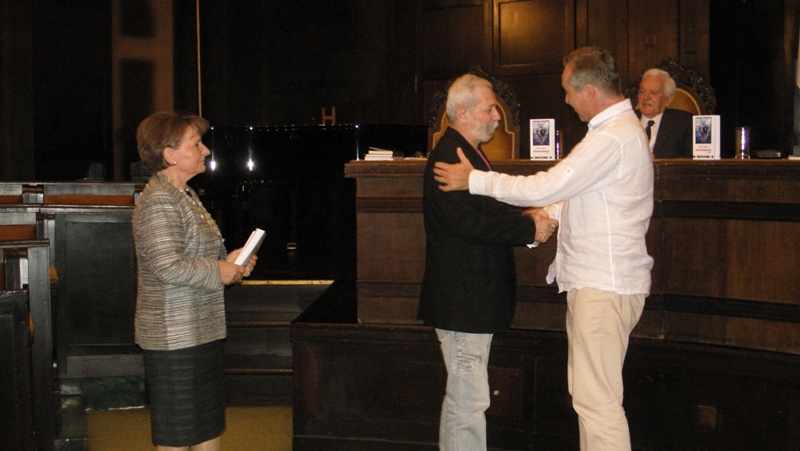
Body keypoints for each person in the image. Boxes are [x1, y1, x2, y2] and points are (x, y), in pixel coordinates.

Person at [432, 47, 654, 451]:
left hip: (604, 286)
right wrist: (542, 217)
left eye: (568, 91)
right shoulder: (613, 133)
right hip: (599, 284)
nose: (566, 100)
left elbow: (550, 185)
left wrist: (477, 181)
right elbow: (571, 194)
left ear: (589, 91)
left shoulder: (613, 136)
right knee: (593, 400)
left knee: (598, 404)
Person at [419, 73, 557, 451]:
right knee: (467, 401)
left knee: (467, 400)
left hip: (470, 301)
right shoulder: (450, 156)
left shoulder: (467, 153)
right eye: (489, 109)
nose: (498, 116)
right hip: (464, 302)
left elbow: (484, 214)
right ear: (462, 112)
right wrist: (528, 229)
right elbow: (467, 224)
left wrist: (527, 218)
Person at [133, 111, 256, 451]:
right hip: (174, 336)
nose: (205, 150)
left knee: (207, 424)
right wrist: (218, 270)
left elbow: (192, 254)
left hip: (199, 329)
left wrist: (230, 262)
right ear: (169, 154)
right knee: (179, 433)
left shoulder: (184, 193)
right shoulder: (160, 199)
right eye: (196, 144)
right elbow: (167, 266)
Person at [636, 68, 693, 158]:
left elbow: (693, 162)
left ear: (669, 99)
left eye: (653, 92)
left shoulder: (685, 124)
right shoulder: (624, 120)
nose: (646, 97)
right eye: (642, 92)